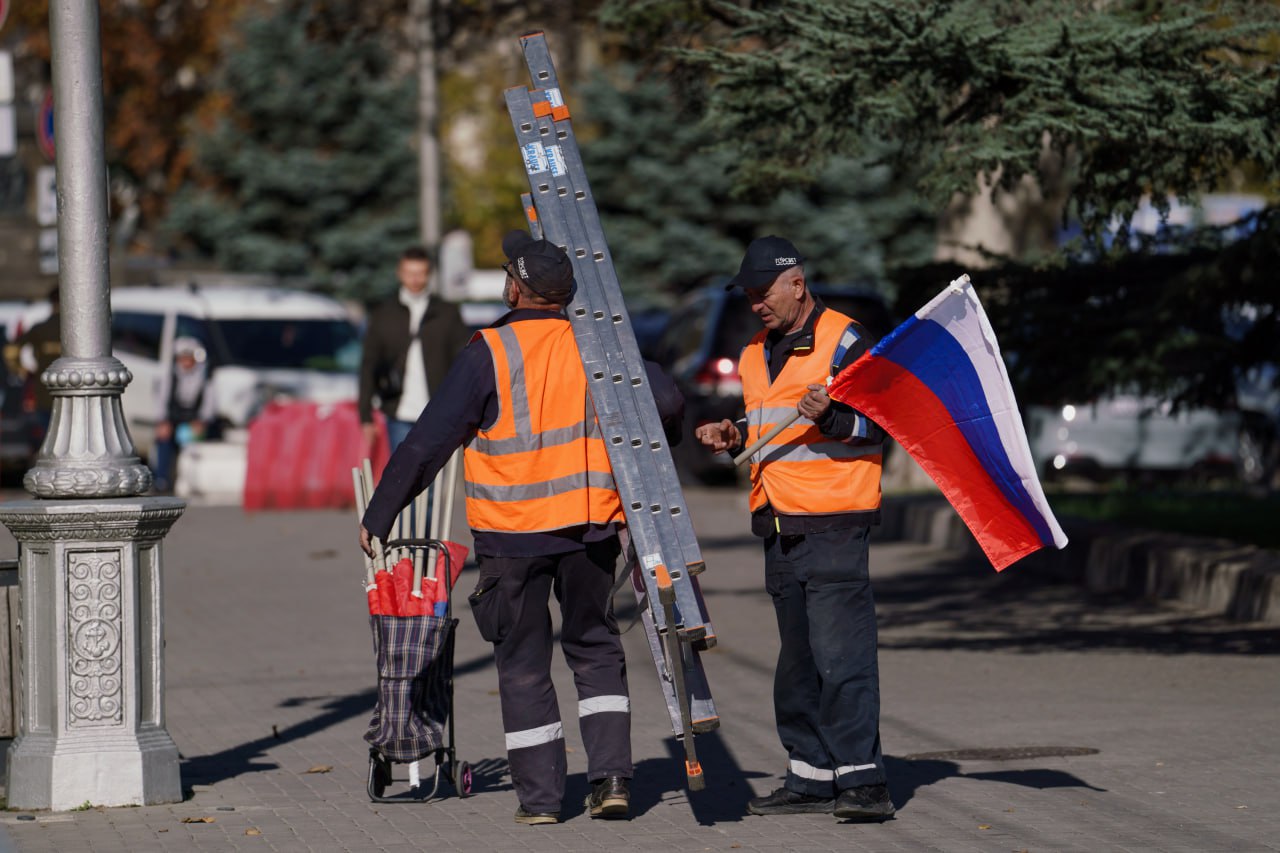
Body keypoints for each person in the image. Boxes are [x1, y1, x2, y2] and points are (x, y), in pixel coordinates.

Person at [359, 230, 684, 826]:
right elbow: (663, 399)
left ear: (517, 287)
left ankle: (539, 802)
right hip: (588, 531)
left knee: (523, 662)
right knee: (595, 649)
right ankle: (612, 779)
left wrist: (382, 513)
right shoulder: (596, 345)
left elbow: (430, 440)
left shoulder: (490, 350)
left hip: (512, 537)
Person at [695, 235, 895, 822]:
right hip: (779, 521)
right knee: (798, 662)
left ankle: (865, 782)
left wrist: (832, 414)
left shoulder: (845, 338)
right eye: (749, 295)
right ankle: (810, 775)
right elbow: (770, 420)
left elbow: (880, 424)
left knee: (842, 657)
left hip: (834, 520)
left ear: (797, 284)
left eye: (764, 293)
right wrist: (734, 432)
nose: (756, 304)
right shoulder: (756, 352)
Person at [358, 246, 471, 451]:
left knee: (438, 479)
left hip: (439, 413)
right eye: (410, 273)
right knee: (405, 479)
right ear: (400, 273)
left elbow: (463, 361)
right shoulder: (384, 314)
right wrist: (365, 415)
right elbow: (369, 364)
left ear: (429, 274)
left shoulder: (446, 313)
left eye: (421, 273)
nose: (415, 280)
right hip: (398, 412)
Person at [152, 336, 218, 493]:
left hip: (193, 422)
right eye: (182, 357)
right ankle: (162, 480)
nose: (186, 362)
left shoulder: (205, 378)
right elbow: (161, 400)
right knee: (164, 439)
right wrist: (162, 421)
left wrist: (201, 421)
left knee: (188, 439)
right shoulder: (170, 376)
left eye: (189, 357)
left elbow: (209, 405)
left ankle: (188, 482)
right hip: (173, 420)